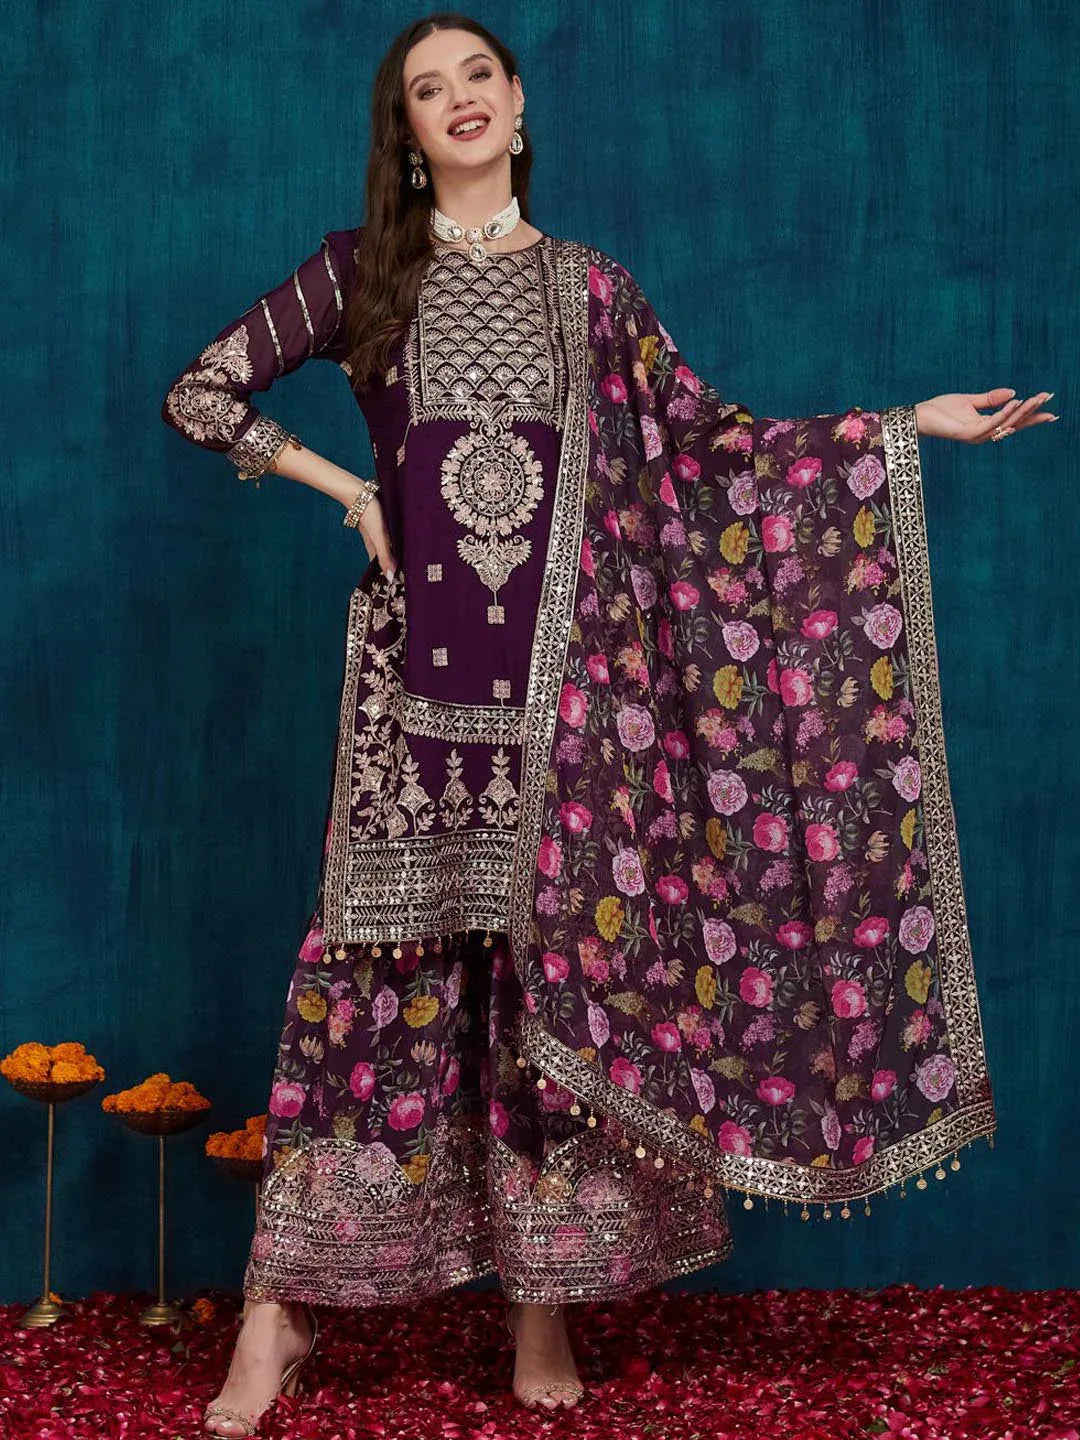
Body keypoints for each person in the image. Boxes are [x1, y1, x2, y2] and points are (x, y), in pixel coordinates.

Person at [160, 11, 1053, 1435]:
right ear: (406, 133)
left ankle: (544, 1301)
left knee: (551, 991)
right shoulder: (361, 272)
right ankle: (281, 1312)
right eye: (428, 89)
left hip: (574, 706)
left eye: (479, 76)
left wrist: (897, 430)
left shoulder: (593, 292)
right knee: (369, 982)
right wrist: (348, 490)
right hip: (410, 704)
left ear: (518, 105)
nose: (459, 99)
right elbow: (201, 392)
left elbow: (711, 449)